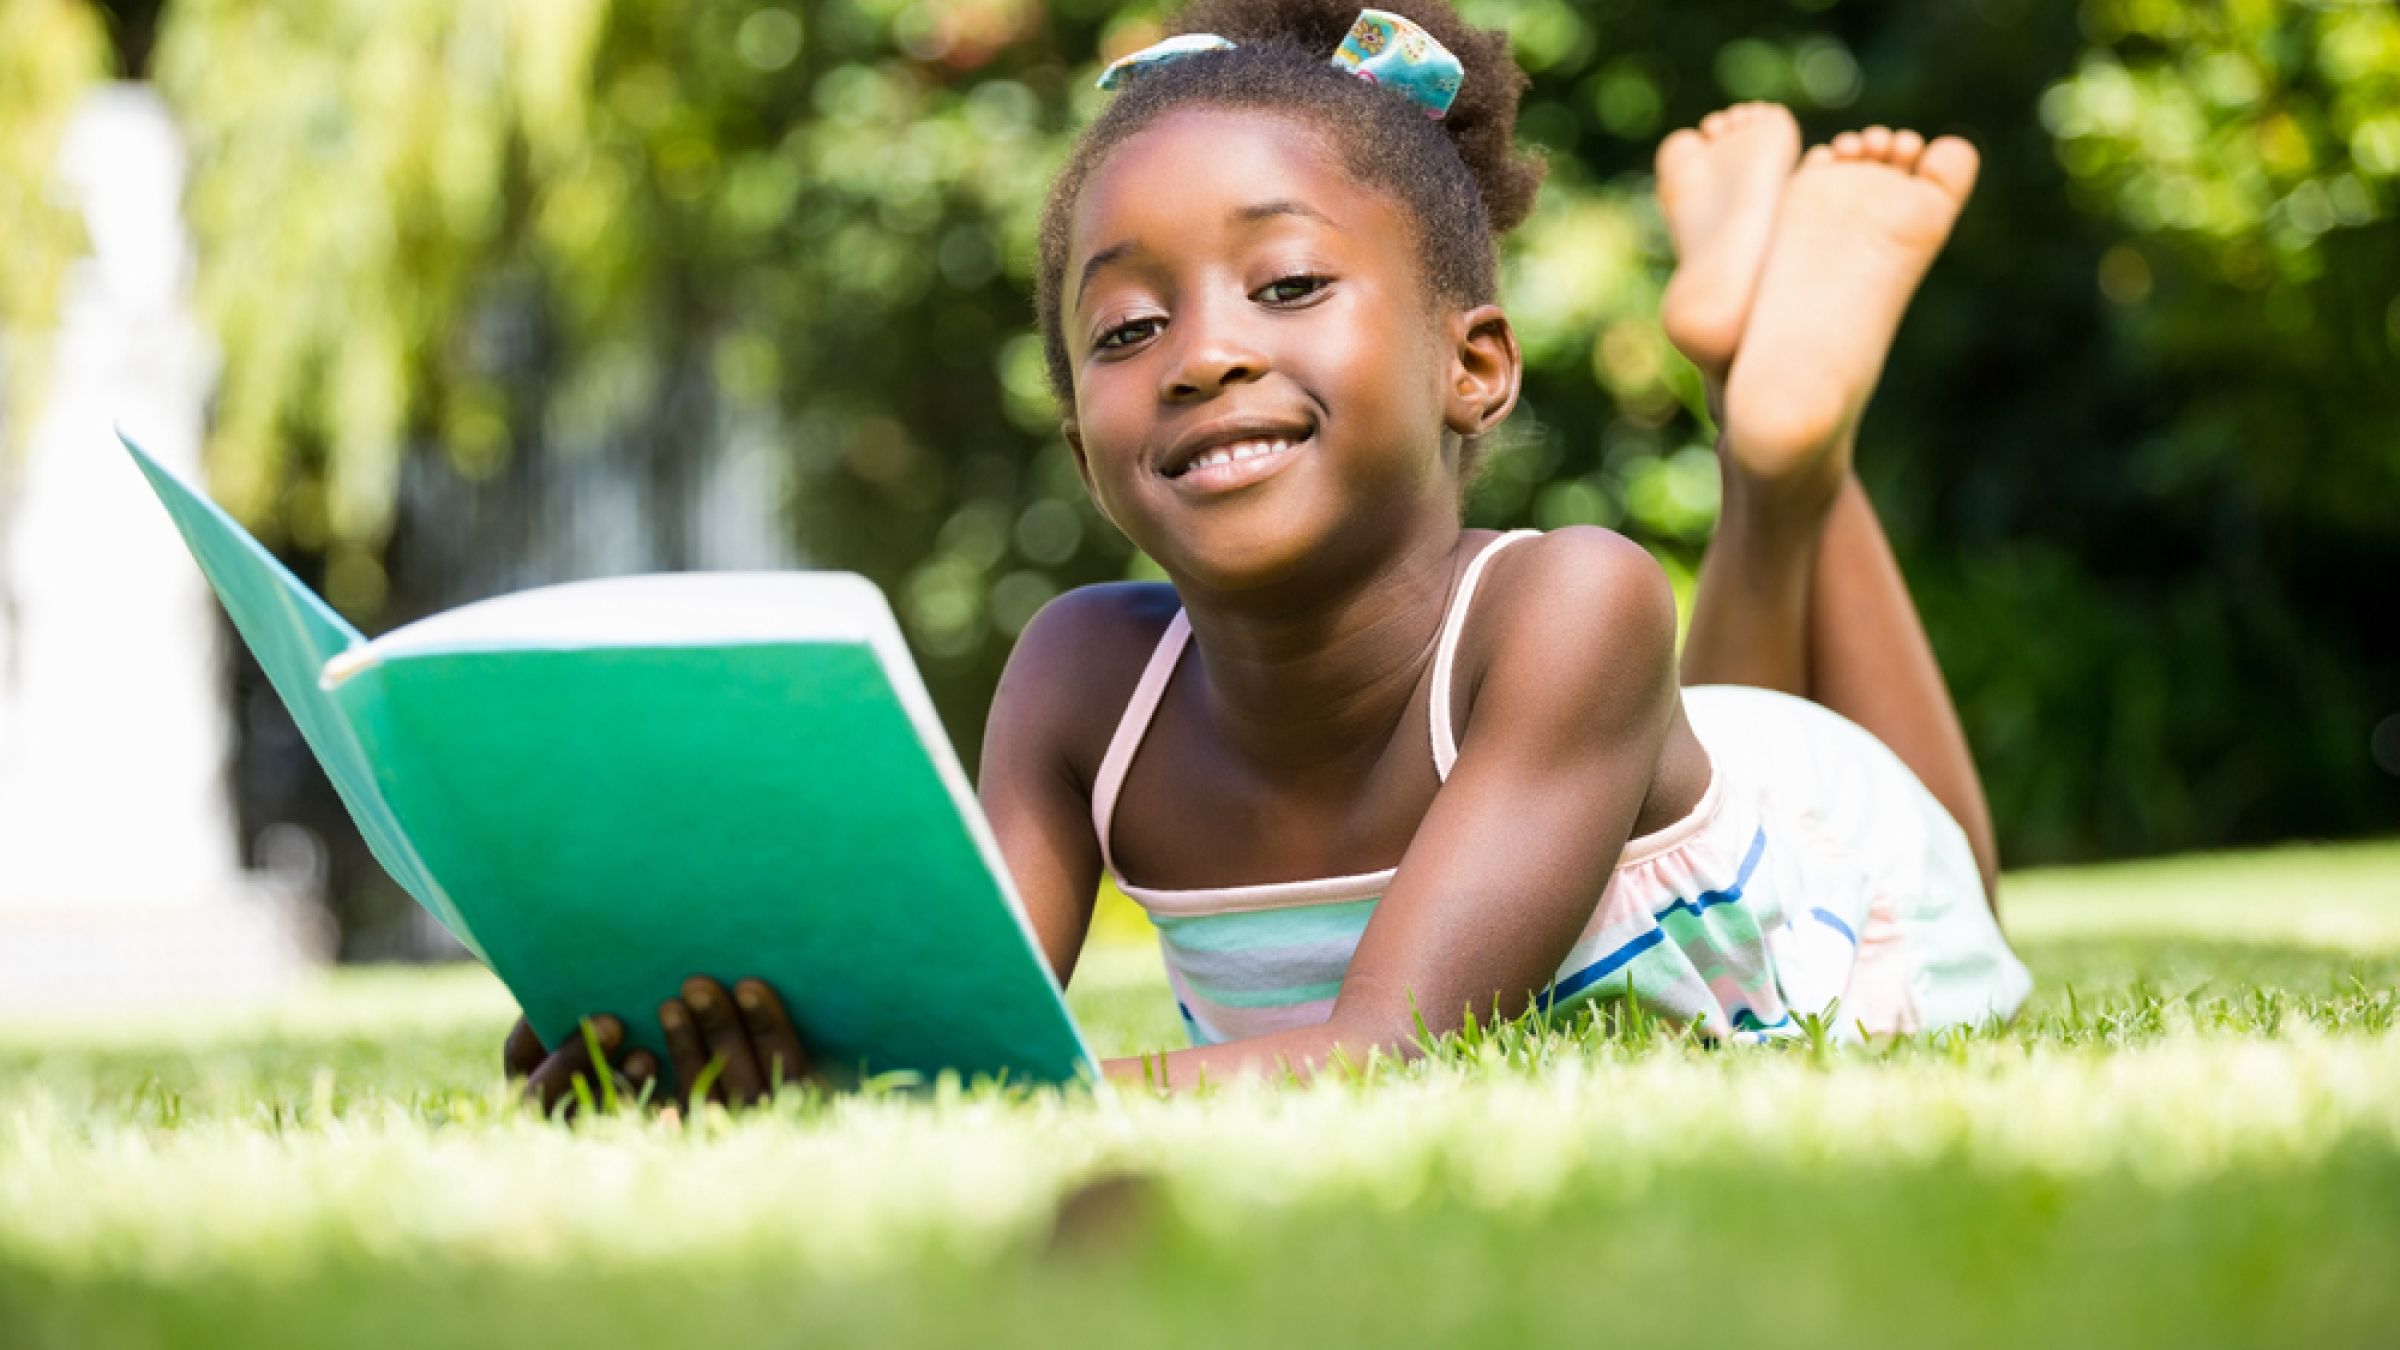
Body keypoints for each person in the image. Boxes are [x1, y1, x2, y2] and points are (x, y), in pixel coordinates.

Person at [506, 0, 2032, 1113]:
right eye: (1125, 326)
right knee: (1704, 737)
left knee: (1923, 848)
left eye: (1289, 281)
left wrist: (1001, 1096)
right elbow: (963, 1025)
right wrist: (722, 1049)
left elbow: (1386, 1053)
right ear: (1078, 429)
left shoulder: (1578, 598)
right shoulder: (1080, 680)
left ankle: (1783, 456)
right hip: (1620, 784)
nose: (1203, 354)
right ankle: (1762, 417)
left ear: (1474, 365)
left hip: (1813, 871)